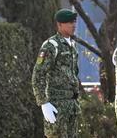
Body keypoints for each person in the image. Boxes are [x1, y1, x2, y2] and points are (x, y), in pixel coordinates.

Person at [32, 9, 82, 137]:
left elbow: (73, 73)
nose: (73, 25)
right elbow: (38, 74)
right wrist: (43, 102)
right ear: (59, 25)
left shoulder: (71, 45)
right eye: (69, 22)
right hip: (57, 105)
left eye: (74, 22)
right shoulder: (51, 45)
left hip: (71, 105)